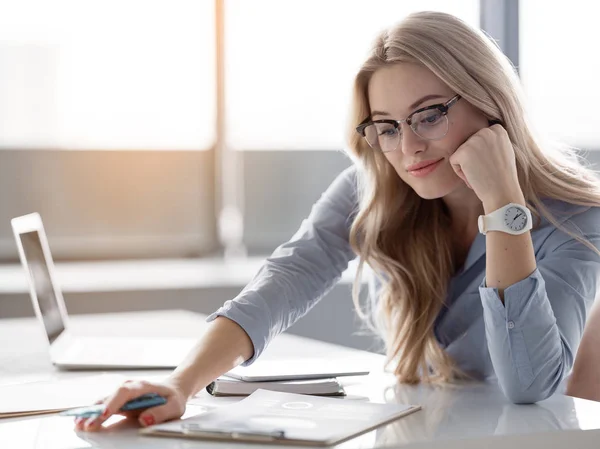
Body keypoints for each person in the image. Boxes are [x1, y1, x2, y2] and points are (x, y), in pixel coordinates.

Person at [76, 11, 600, 432]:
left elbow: (531, 387)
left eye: (430, 114)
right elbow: (289, 275)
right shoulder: (377, 188)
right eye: (387, 126)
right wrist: (181, 384)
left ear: (490, 103)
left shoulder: (577, 217)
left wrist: (502, 202)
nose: (409, 146)